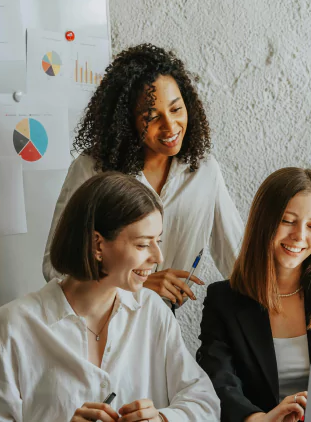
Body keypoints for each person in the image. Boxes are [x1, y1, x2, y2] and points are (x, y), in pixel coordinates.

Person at [0, 172, 220, 422]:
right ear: (97, 244)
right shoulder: (10, 328)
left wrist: (163, 419)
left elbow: (205, 403)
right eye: (143, 245)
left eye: (158, 241)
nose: (158, 258)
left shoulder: (151, 310)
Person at [43, 44, 243, 307]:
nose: (170, 126)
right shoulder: (91, 170)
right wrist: (138, 282)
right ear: (127, 121)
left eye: (175, 109)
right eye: (152, 116)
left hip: (162, 319)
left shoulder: (204, 171)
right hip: (99, 315)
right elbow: (57, 269)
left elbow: (238, 261)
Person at [196, 167, 311, 422]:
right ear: (264, 221)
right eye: (288, 221)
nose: (300, 236)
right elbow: (219, 382)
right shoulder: (223, 300)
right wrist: (261, 419)